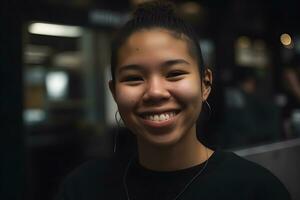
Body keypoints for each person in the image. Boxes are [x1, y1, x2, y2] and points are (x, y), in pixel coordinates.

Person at [55, 1, 291, 200]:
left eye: (174, 74)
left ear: (205, 84)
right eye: (134, 78)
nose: (155, 92)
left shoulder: (256, 190)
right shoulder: (82, 189)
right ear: (115, 91)